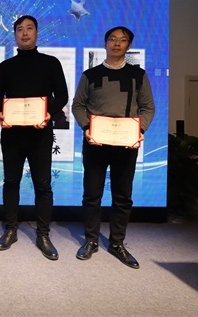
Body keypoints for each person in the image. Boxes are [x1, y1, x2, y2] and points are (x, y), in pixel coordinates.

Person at [71, 26, 155, 269]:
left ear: (129, 45)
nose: (117, 43)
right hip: (95, 143)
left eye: (123, 40)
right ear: (105, 43)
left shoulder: (138, 75)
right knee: (92, 194)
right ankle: (91, 240)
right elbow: (78, 105)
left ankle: (117, 243)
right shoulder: (90, 75)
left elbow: (148, 107)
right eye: (112, 39)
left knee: (122, 196)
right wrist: (86, 127)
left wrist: (139, 130)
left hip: (126, 144)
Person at [0, 15, 69, 259]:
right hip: (12, 135)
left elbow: (63, 95)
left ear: (37, 33)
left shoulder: (51, 63)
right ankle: (11, 230)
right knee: (11, 182)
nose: (24, 33)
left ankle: (43, 234)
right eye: (20, 29)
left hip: (40, 134)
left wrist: (48, 113)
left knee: (43, 185)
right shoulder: (6, 66)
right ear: (14, 34)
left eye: (29, 28)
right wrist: (0, 113)